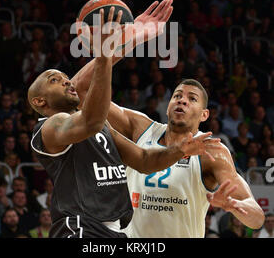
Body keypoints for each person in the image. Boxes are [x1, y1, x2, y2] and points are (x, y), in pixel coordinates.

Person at [29, 6, 220, 238]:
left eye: (66, 78)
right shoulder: (50, 126)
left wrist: (178, 151)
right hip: (80, 228)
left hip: (115, 232)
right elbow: (90, 117)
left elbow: (144, 159)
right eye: (54, 80)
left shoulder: (101, 127)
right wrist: (109, 50)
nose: (67, 82)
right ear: (39, 101)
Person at [76, 72, 265, 237]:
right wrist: (109, 54)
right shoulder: (140, 129)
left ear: (204, 115)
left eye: (192, 99)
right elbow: (79, 92)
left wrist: (234, 206)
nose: (182, 100)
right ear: (168, 107)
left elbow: (257, 218)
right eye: (177, 96)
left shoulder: (211, 151)